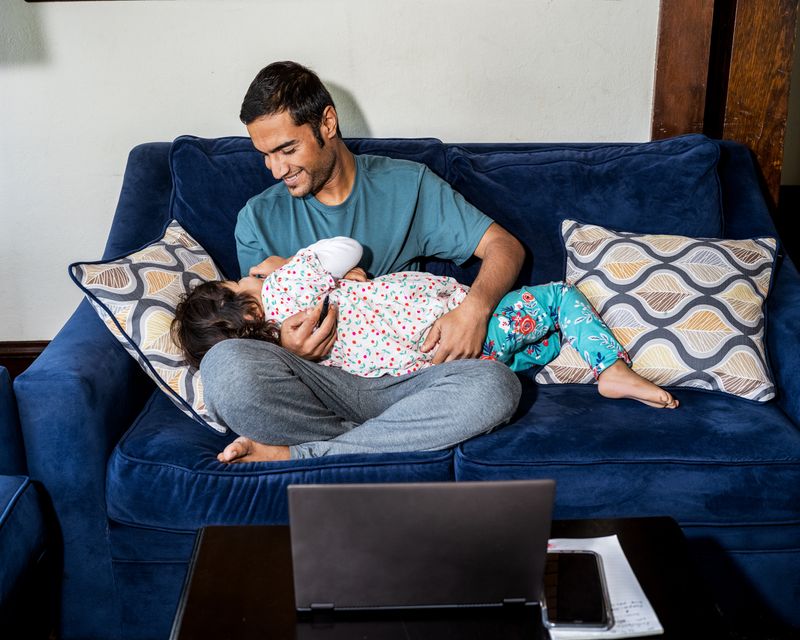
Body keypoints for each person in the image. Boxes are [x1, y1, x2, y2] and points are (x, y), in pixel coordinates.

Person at [174, 237, 678, 411]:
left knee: (530, 348)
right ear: (249, 309)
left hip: (431, 367)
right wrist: (288, 264)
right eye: (242, 281)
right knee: (557, 298)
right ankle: (611, 368)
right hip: (443, 330)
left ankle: (541, 358)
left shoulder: (281, 352)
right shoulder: (285, 284)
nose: (249, 273)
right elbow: (345, 249)